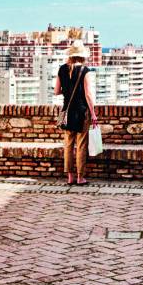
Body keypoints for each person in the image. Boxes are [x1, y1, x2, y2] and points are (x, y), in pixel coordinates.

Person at [56, 39, 98, 185]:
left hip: (67, 112)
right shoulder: (85, 71)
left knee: (68, 144)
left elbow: (56, 91)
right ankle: (80, 177)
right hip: (81, 112)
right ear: (82, 56)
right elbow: (88, 95)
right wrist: (93, 114)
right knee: (81, 145)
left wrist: (67, 90)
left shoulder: (62, 69)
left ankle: (69, 177)